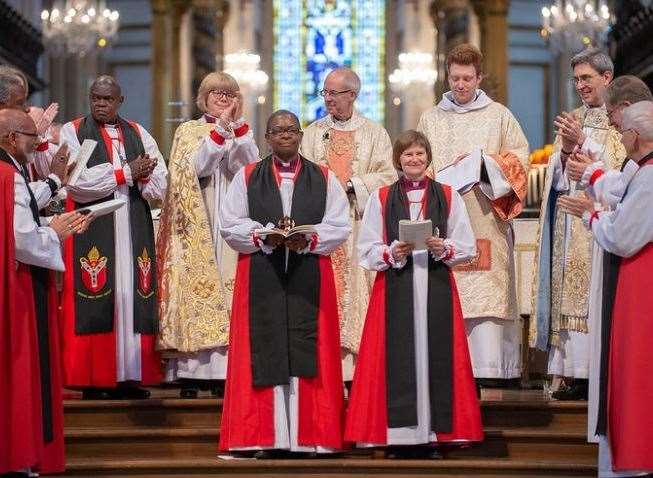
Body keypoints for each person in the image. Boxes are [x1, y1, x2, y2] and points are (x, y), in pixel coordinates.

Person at [218, 110, 350, 456]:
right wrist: (263, 237)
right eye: (278, 131)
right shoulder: (247, 176)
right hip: (262, 272)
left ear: (301, 134)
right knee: (265, 346)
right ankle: (265, 437)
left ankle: (312, 438)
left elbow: (339, 223)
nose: (285, 135)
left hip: (309, 275)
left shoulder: (324, 177)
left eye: (292, 130)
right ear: (267, 137)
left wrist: (308, 239)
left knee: (309, 346)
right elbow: (230, 223)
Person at [345, 130, 482, 458]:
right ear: (398, 160)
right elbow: (366, 249)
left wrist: (443, 246)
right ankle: (399, 438)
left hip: (435, 285)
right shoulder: (381, 197)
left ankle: (432, 435)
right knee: (398, 357)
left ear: (428, 157)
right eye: (408, 155)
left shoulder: (449, 196)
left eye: (420, 153)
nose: (415, 159)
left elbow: (467, 246)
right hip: (396, 287)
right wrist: (393, 251)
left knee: (432, 356)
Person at [417, 43, 529, 385]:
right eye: (455, 78)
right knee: (451, 293)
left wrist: (484, 166)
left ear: (479, 77)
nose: (460, 85)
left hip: (487, 218)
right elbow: (418, 162)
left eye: (467, 78)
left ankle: (493, 371)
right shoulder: (431, 117)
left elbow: (519, 162)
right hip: (447, 221)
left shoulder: (499, 116)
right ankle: (449, 370)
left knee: (488, 293)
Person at [558, 101, 653, 477]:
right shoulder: (642, 171)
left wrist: (589, 212)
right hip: (638, 280)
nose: (621, 136)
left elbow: (624, 237)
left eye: (623, 131)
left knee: (635, 370)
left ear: (634, 135)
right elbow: (617, 189)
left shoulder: (649, 176)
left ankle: (637, 458)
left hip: (641, 284)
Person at [59, 75, 168, 399]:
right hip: (91, 227)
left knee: (131, 296)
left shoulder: (138, 132)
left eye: (107, 99)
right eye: (95, 98)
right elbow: (76, 182)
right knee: (97, 294)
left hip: (133, 224)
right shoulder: (73, 131)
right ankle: (94, 378)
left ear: (120, 101)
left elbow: (161, 178)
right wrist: (126, 172)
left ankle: (129, 376)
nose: (100, 104)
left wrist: (144, 179)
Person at [530, 49, 626, 401]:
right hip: (571, 227)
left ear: (606, 77)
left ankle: (597, 373)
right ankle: (573, 374)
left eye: (587, 78)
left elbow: (623, 166)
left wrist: (585, 149)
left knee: (596, 299)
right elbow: (555, 177)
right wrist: (566, 154)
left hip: (604, 224)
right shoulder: (572, 118)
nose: (581, 85)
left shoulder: (621, 118)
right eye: (577, 79)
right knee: (569, 297)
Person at [158, 72, 259, 399]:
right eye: (216, 93)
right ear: (204, 97)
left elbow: (251, 167)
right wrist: (218, 134)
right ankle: (192, 372)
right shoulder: (188, 130)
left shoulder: (242, 131)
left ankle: (226, 371)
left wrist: (237, 130)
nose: (223, 98)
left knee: (229, 290)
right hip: (197, 224)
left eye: (229, 93)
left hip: (230, 220)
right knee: (198, 288)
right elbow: (196, 167)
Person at [0, 109, 90, 476]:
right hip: (16, 284)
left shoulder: (7, 171)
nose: (35, 142)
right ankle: (21, 453)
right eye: (29, 137)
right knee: (20, 366)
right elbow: (22, 238)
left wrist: (53, 179)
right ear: (10, 139)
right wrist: (56, 231)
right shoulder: (10, 175)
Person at [301, 67, 396, 382]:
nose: (328, 99)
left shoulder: (374, 133)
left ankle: (357, 373)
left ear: (352, 95)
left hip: (357, 226)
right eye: (324, 92)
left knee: (356, 291)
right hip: (322, 226)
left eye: (334, 93)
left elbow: (388, 176)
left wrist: (352, 184)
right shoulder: (312, 133)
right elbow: (300, 172)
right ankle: (323, 368)